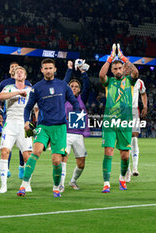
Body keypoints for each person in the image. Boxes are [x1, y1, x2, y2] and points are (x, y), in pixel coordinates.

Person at [17, 58, 80, 198]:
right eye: (45, 68)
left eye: (50, 68)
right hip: (43, 126)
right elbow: (27, 108)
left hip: (60, 128)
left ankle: (56, 187)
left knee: (56, 160)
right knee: (36, 152)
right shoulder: (37, 88)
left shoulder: (63, 85)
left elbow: (75, 102)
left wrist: (74, 115)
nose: (48, 70)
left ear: (55, 69)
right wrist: (26, 122)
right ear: (41, 70)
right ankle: (23, 185)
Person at [99, 43, 139, 193]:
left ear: (123, 69)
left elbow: (135, 72)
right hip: (110, 122)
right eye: (115, 69)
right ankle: (106, 183)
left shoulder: (130, 81)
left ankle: (122, 178)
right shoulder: (108, 82)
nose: (117, 70)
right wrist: (110, 59)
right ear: (112, 70)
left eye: (119, 68)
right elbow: (101, 75)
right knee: (108, 151)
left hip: (125, 122)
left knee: (124, 155)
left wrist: (122, 57)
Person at [0, 66, 33, 193]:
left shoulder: (30, 90)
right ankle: (3, 185)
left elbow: (37, 108)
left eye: (21, 71)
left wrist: (37, 124)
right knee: (4, 152)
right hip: (10, 124)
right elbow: (1, 96)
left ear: (25, 76)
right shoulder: (8, 88)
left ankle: (26, 183)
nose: (19, 73)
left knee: (27, 156)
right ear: (14, 75)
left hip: (25, 125)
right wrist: (17, 93)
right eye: (16, 72)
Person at [58, 60, 90, 192]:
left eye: (76, 86)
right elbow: (63, 84)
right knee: (63, 158)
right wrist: (70, 69)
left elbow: (87, 86)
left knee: (81, 164)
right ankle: (60, 184)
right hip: (65, 133)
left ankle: (73, 181)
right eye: (72, 86)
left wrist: (83, 73)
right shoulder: (63, 98)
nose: (74, 88)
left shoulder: (83, 98)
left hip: (78, 135)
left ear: (79, 89)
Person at [125, 78, 147, 182]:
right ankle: (127, 171)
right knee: (126, 141)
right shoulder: (119, 80)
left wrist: (145, 106)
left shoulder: (139, 82)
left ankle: (135, 167)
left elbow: (143, 93)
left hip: (134, 111)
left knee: (134, 137)